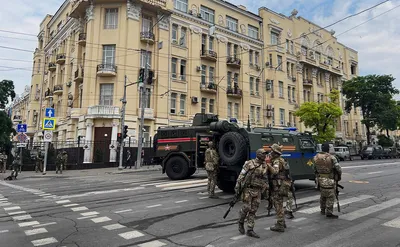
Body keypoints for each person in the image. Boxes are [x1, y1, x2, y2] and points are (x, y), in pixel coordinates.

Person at [236, 148, 268, 238]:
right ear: (258, 154)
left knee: (253, 210)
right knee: (246, 207)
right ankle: (241, 221)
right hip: (248, 190)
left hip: (258, 190)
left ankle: (250, 229)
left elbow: (265, 178)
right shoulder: (249, 163)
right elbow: (241, 175)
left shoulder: (265, 165)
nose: (265, 155)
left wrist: (266, 189)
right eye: (263, 154)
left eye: (265, 154)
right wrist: (237, 187)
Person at [266, 143, 292, 232]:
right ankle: (282, 222)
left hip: (278, 186)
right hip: (279, 185)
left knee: (278, 205)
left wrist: (268, 165)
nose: (270, 152)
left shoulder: (277, 161)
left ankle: (280, 225)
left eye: (271, 151)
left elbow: (275, 172)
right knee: (279, 204)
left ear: (275, 152)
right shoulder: (280, 160)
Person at [313, 142, 342, 219]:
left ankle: (322, 210)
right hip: (329, 179)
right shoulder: (332, 157)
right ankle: (329, 212)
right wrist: (339, 176)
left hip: (320, 179)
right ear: (328, 149)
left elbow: (314, 169)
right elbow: (338, 168)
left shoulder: (316, 157)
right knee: (330, 196)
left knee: (323, 195)